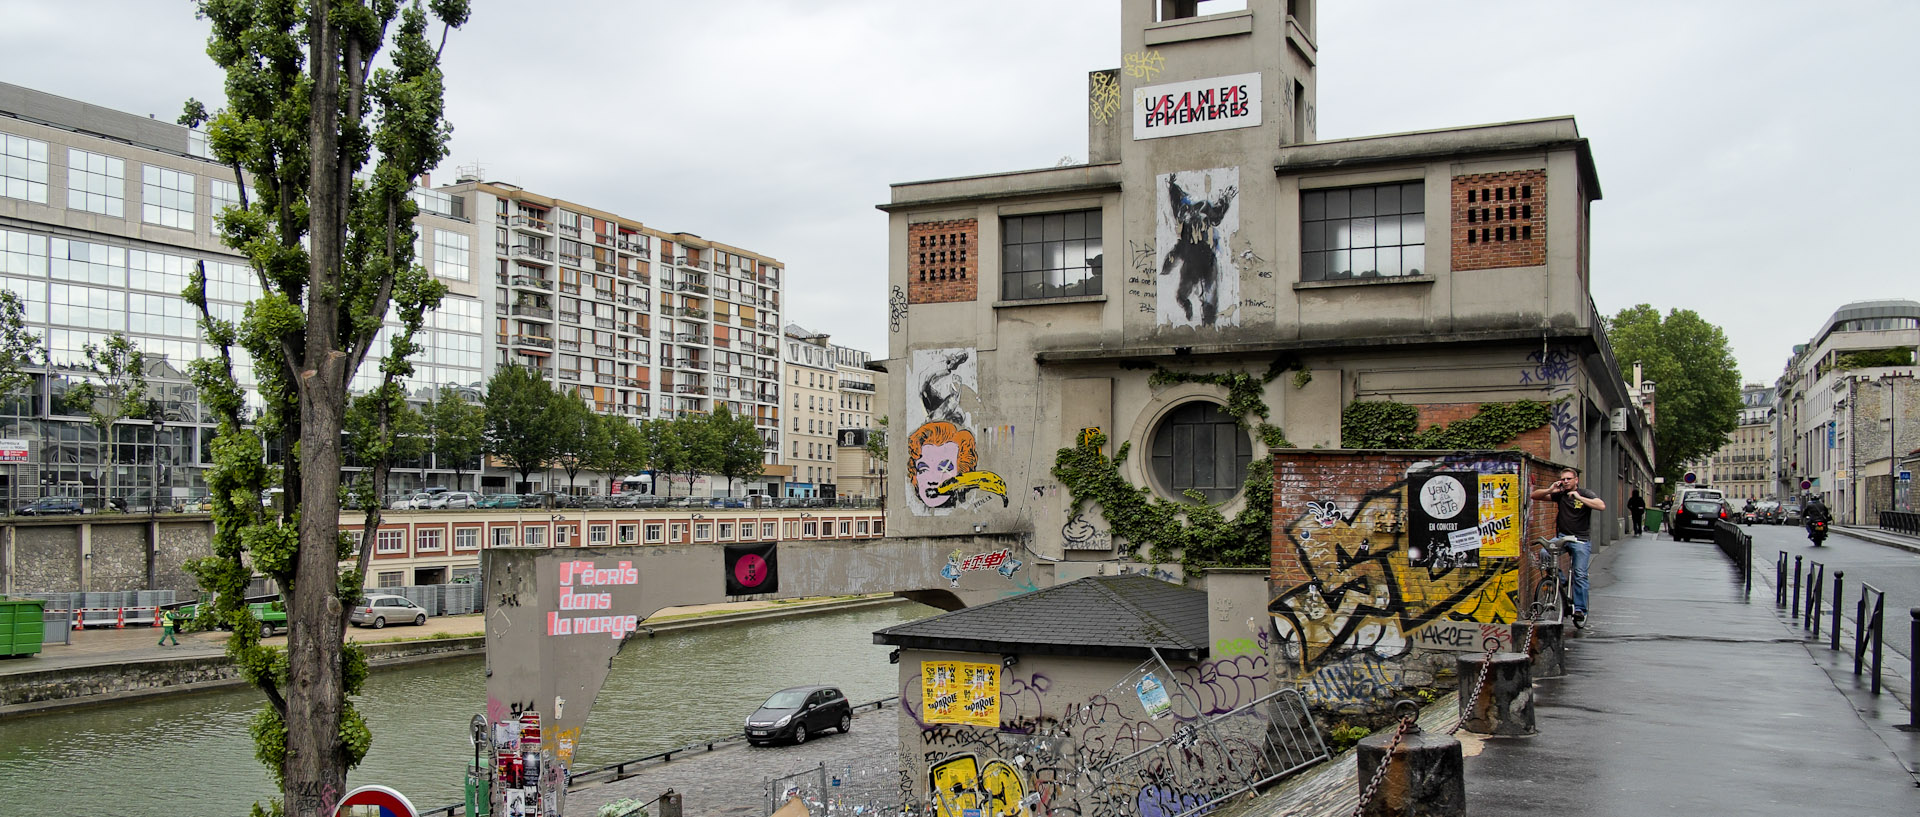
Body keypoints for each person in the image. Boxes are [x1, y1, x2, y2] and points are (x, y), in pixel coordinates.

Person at [1530, 468, 1607, 627]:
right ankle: (1560, 581)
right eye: (1563, 479)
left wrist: (1579, 497)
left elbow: (1601, 506)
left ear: (1576, 480)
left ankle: (1580, 609)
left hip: (1580, 540)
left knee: (1580, 574)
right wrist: (1551, 489)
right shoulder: (1560, 495)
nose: (1565, 481)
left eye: (1569, 479)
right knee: (1545, 553)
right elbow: (1535, 496)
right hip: (1562, 537)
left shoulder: (1585, 493)